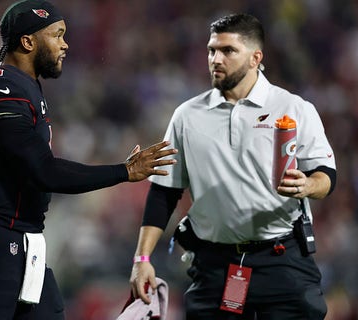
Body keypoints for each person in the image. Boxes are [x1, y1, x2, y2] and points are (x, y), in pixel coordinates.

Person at [0, 0, 177, 319]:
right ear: (27, 42)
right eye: (56, 35)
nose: (65, 44)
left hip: (25, 240)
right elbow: (44, 172)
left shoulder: (26, 86)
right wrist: (124, 171)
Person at [128, 13, 336, 319]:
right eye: (212, 50)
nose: (216, 59)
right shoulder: (187, 116)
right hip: (215, 264)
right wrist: (142, 257)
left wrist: (308, 185)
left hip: (281, 259)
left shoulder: (294, 108)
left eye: (228, 51)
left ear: (255, 58)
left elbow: (327, 175)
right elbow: (164, 193)